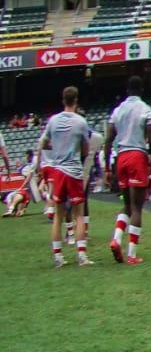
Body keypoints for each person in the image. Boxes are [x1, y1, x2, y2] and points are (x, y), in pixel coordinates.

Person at [36, 86, 96, 268]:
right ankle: (82, 256)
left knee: (58, 216)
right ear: (76, 101)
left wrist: (56, 150)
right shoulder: (81, 122)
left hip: (58, 171)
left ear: (63, 100)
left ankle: (58, 257)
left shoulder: (53, 121)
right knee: (78, 215)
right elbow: (86, 149)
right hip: (74, 171)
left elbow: (43, 143)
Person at [104, 77, 151, 264]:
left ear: (127, 90)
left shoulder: (117, 110)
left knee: (127, 205)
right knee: (137, 207)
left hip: (122, 157)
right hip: (137, 156)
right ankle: (132, 255)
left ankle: (116, 238)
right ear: (141, 89)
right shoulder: (145, 109)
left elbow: (108, 139)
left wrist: (106, 167)